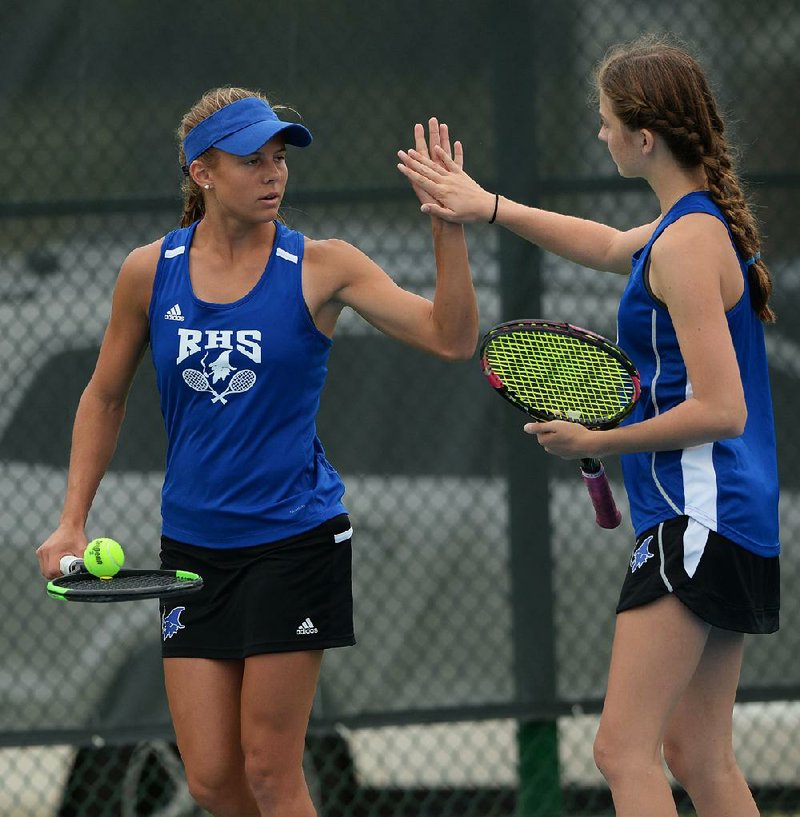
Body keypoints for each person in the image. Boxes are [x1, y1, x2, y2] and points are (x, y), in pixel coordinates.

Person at [36, 87, 478, 817]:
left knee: (272, 769)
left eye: (280, 158)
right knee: (211, 777)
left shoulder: (323, 266)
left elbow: (452, 338)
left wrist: (448, 229)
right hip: (192, 549)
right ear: (202, 172)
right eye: (252, 160)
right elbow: (104, 397)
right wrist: (70, 520)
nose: (273, 173)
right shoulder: (149, 271)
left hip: (294, 541)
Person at [397, 34, 779, 817]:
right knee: (697, 752)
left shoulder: (686, 243)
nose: (598, 133)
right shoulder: (687, 227)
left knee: (620, 748)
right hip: (730, 515)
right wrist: (486, 204)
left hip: (697, 513)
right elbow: (605, 244)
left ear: (644, 138)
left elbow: (722, 408)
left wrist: (598, 441)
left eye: (606, 121)